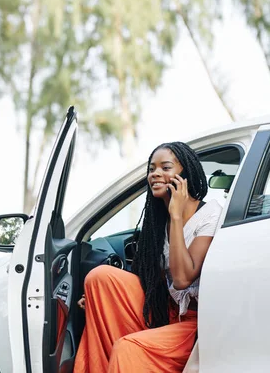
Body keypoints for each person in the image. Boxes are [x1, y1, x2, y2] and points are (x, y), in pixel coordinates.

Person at [73, 142, 222, 372]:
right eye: (152, 169)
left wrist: (176, 215)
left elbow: (182, 279)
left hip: (197, 325)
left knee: (127, 348)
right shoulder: (158, 223)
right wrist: (99, 297)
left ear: (186, 175)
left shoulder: (210, 214)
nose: (156, 174)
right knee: (99, 279)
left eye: (166, 167)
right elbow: (154, 280)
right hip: (168, 311)